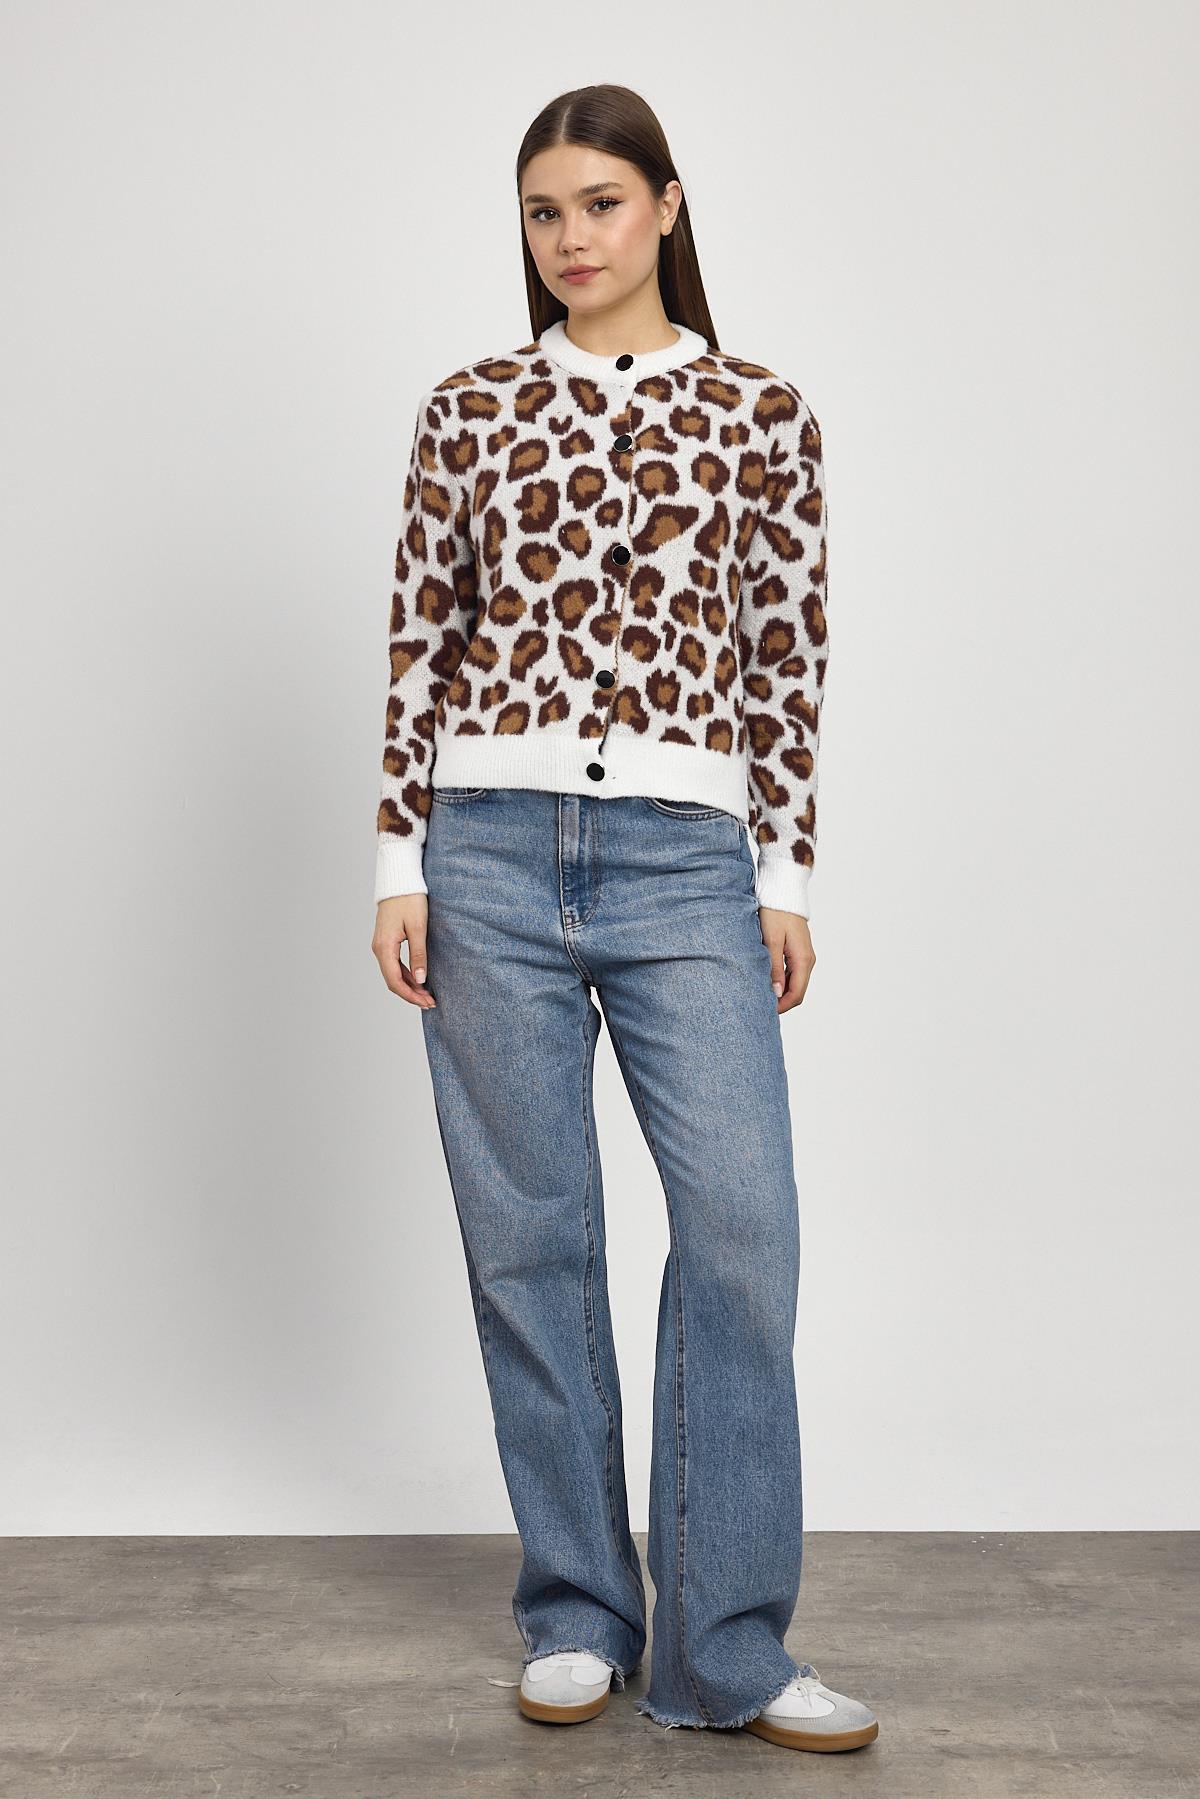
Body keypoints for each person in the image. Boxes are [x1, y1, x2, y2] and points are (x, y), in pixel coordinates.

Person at [370, 83, 879, 1756]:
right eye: (543, 211)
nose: (571, 237)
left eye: (600, 202)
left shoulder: (761, 413)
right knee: (530, 1239)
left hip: (685, 860)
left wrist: (782, 879)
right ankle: (579, 1610)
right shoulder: (470, 408)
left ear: (666, 205)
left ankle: (725, 1648)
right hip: (487, 853)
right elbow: (420, 638)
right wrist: (397, 862)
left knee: (741, 1229)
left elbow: (786, 654)